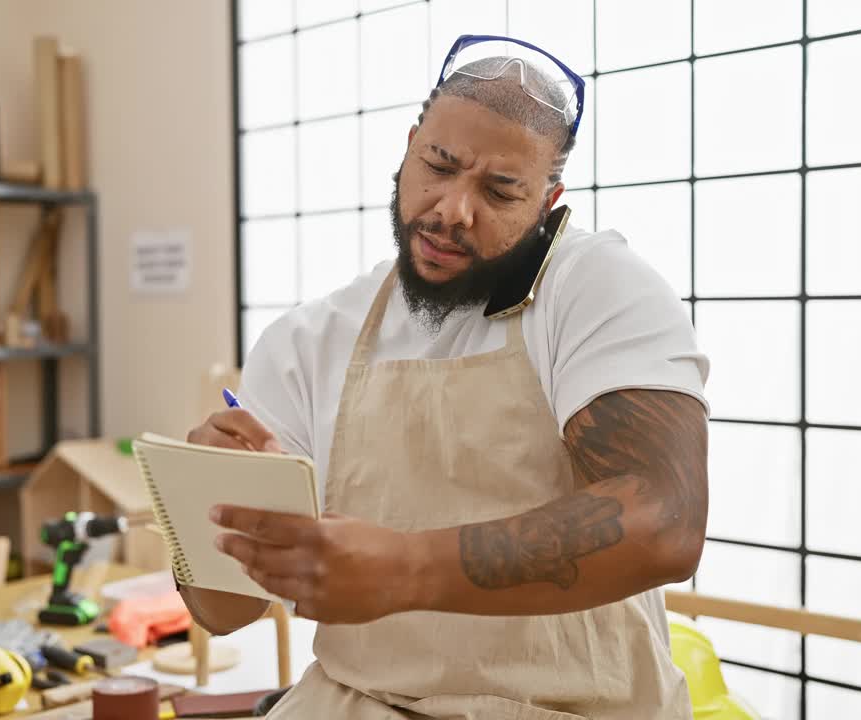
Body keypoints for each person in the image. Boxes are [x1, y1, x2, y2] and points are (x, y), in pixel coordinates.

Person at [183, 35, 711, 719]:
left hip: (574, 708)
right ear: (408, 149)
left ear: (549, 203)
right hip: (356, 700)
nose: (452, 209)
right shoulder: (310, 340)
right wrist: (207, 497)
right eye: (439, 165)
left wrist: (405, 570)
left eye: (499, 190)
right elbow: (223, 613)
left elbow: (664, 520)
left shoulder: (596, 290)